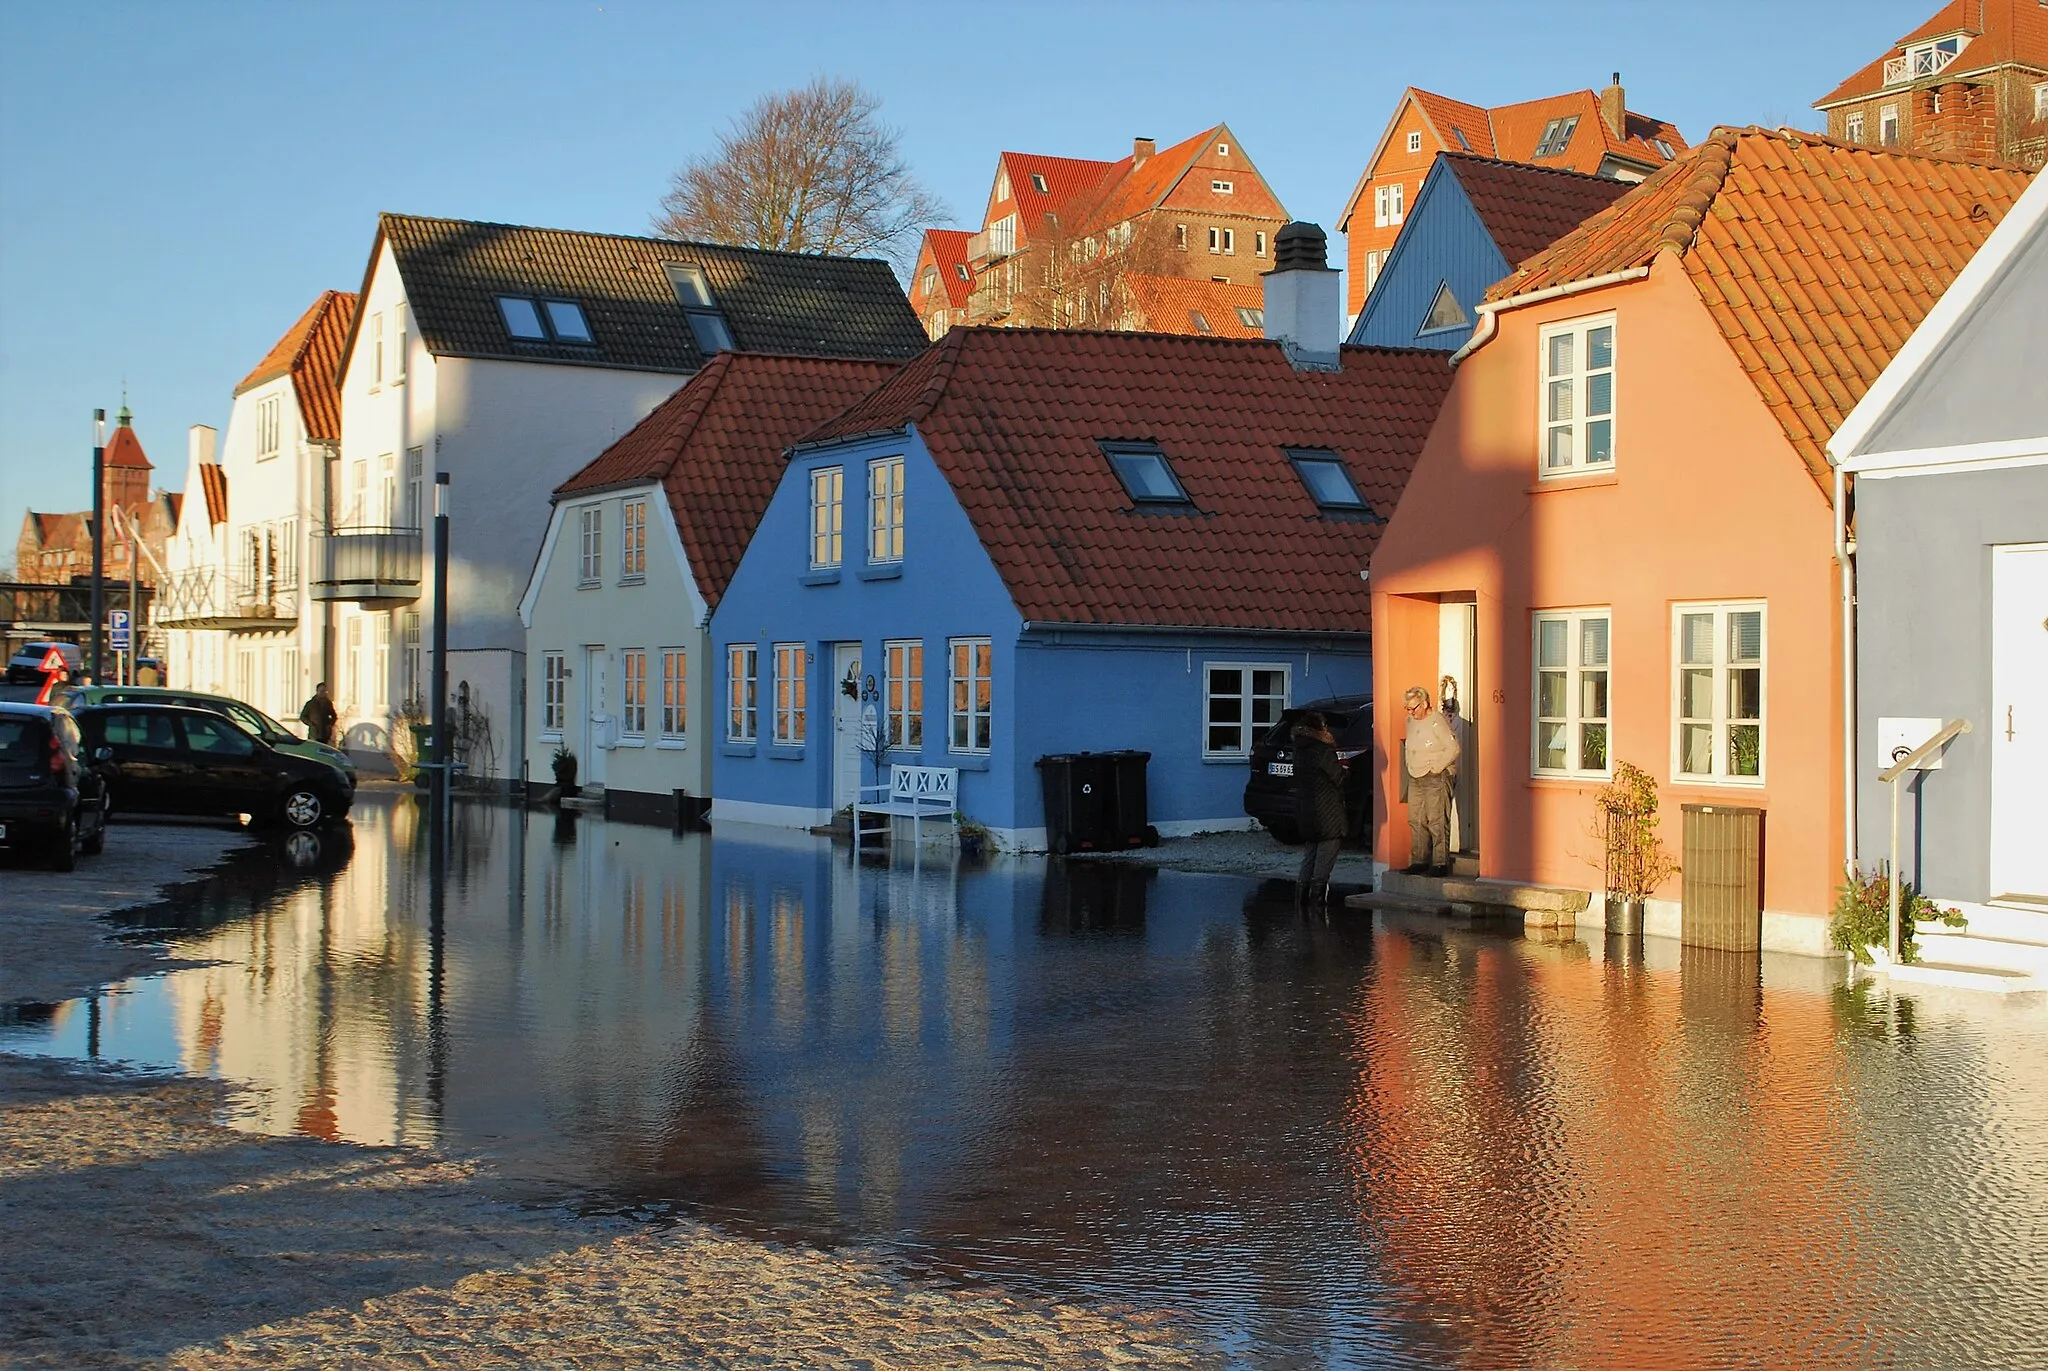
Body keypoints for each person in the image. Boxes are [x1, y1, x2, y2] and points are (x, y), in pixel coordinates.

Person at [1403, 685, 1460, 877]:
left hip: (1435, 774)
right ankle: (1419, 859)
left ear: (1425, 703)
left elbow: (1453, 748)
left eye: (1414, 708)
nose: (1411, 712)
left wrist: (1436, 768)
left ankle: (1440, 862)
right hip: (1415, 774)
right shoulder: (1410, 720)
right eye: (1408, 709)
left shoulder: (1437, 721)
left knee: (1436, 819)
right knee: (1416, 819)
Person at [1293, 710, 1348, 908]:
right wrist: (1344, 771)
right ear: (1320, 728)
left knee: (1310, 855)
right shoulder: (1323, 750)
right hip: (1327, 811)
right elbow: (1338, 778)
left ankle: (1301, 901)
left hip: (1306, 810)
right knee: (1325, 855)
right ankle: (1317, 902)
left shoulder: (1299, 749)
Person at [300, 682, 338, 747]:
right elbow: (303, 716)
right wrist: (311, 724)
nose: (323, 693)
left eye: (325, 691)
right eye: (322, 691)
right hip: (314, 734)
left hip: (325, 734)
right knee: (313, 749)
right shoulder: (311, 703)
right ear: (317, 691)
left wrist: (329, 725)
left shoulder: (328, 703)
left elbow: (334, 716)